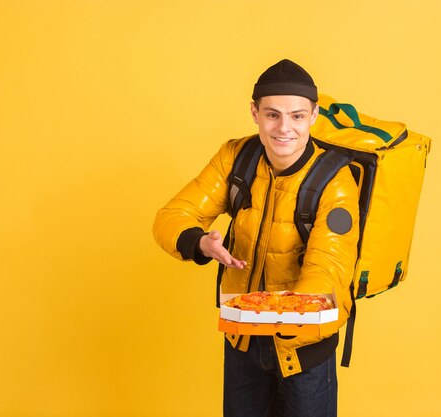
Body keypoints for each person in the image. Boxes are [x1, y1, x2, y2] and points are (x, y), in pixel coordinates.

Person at [152, 59, 359, 417]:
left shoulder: (335, 180)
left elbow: (328, 265)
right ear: (254, 112)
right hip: (243, 342)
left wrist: (291, 318)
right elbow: (171, 217)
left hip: (304, 351)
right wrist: (201, 243)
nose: (284, 128)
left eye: (296, 116)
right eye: (272, 114)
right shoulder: (236, 157)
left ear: (313, 116)